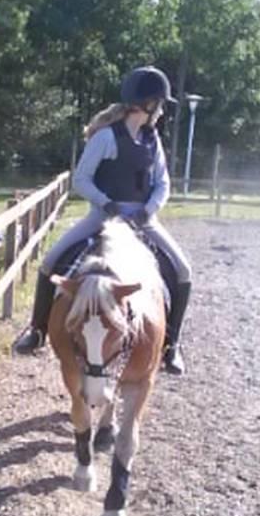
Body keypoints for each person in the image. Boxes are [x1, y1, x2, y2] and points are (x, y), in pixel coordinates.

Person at [14, 66, 192, 374]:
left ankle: (171, 345)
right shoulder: (106, 137)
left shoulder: (153, 139)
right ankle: (37, 331)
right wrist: (106, 203)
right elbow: (81, 179)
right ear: (147, 104)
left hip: (143, 217)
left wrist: (150, 207)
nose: (162, 111)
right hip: (103, 216)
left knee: (183, 270)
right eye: (160, 104)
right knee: (50, 261)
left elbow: (163, 182)